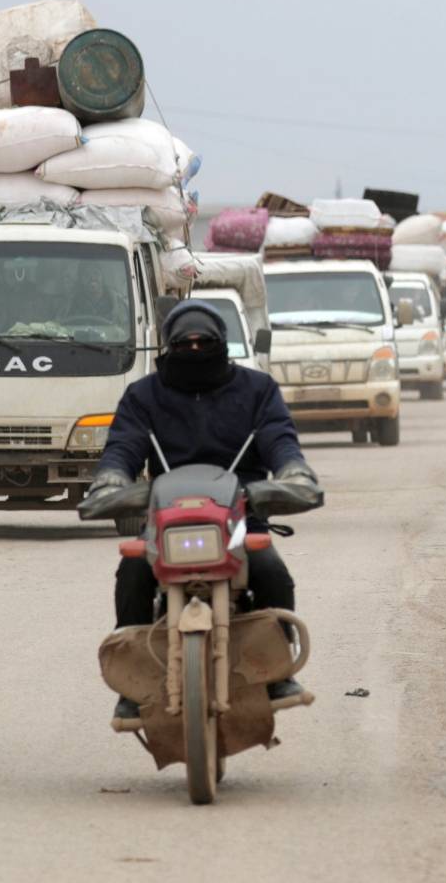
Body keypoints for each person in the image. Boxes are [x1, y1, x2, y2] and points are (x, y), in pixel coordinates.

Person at [84, 300, 319, 721]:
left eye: (203, 343)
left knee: (271, 572)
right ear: (167, 347)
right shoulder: (143, 395)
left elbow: (279, 438)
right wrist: (112, 480)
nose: (194, 350)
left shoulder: (257, 389)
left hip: (242, 516)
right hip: (165, 521)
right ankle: (134, 685)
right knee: (133, 573)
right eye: (184, 344)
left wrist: (292, 472)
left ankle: (277, 671)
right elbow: (123, 446)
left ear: (222, 345)